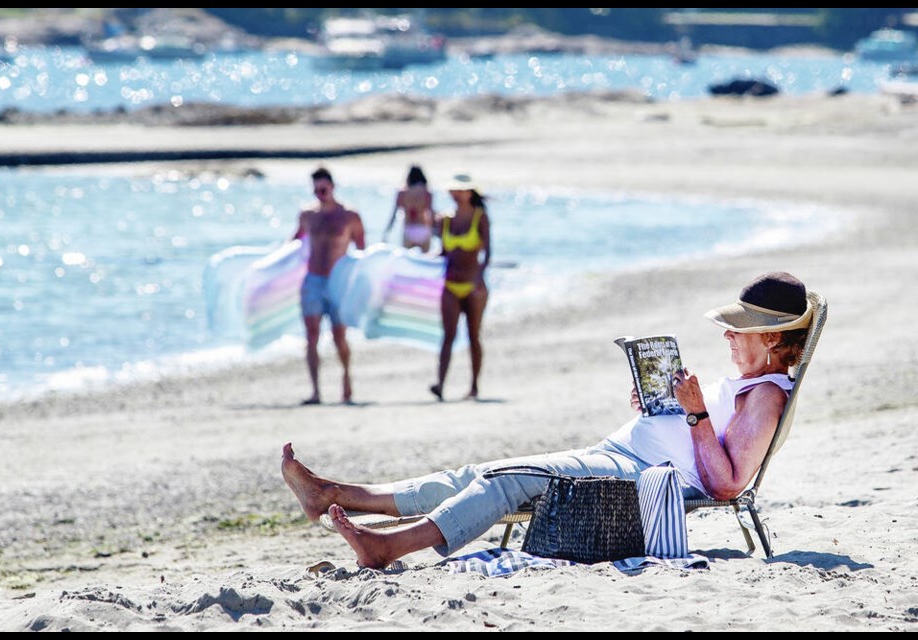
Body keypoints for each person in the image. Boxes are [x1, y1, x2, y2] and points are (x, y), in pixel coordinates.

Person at [281, 272, 814, 569]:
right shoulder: (749, 385)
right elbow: (706, 439)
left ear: (771, 338)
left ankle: (389, 545)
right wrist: (666, 406)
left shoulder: (766, 396)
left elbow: (724, 484)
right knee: (479, 473)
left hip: (639, 477)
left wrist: (694, 411)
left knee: (506, 482)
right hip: (626, 453)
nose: (728, 336)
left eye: (737, 330)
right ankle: (336, 493)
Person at [291, 167, 366, 405]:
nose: (320, 194)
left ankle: (346, 379)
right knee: (311, 336)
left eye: (323, 189)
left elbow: (362, 250)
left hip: (338, 282)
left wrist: (359, 283)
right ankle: (315, 391)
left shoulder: (349, 216)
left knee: (339, 336)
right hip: (312, 281)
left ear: (332, 187)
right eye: (316, 190)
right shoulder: (307, 215)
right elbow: (294, 244)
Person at [428, 173, 491, 401]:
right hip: (450, 283)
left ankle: (474, 386)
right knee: (448, 335)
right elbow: (443, 252)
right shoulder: (444, 219)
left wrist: (479, 278)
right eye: (453, 190)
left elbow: (487, 253)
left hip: (474, 286)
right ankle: (440, 385)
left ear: (470, 193)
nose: (456, 194)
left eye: (461, 190)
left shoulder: (480, 218)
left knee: (474, 335)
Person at [383, 165, 435, 252]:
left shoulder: (402, 193)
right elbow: (431, 213)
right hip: (423, 228)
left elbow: (394, 214)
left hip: (409, 229)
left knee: (407, 261)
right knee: (424, 261)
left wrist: (387, 231)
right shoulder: (426, 192)